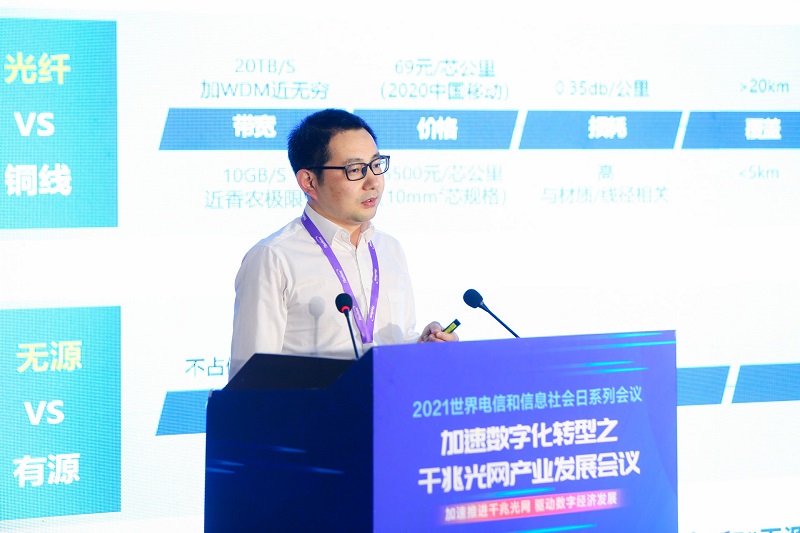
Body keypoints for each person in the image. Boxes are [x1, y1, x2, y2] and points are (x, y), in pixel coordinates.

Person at [229, 108, 457, 380]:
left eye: (376, 165)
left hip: (388, 405)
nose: (373, 182)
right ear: (309, 182)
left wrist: (422, 347)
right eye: (355, 170)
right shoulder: (273, 258)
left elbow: (398, 341)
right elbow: (250, 380)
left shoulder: (390, 249)